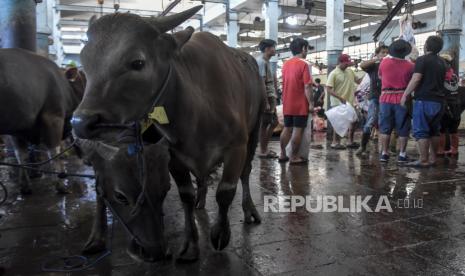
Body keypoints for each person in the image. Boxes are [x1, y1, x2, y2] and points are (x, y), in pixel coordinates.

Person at [401, 35, 446, 167]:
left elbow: (416, 79)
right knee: (434, 131)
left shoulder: (422, 60)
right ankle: (432, 159)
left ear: (426, 46)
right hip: (439, 101)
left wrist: (405, 95)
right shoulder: (443, 62)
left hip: (424, 101)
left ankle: (423, 160)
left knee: (421, 131)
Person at [377, 39, 414, 163]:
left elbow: (380, 76)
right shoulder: (411, 66)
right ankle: (402, 154)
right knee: (403, 127)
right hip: (402, 98)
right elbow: (411, 82)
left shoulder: (384, 62)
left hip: (385, 98)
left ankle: (384, 153)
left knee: (385, 127)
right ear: (405, 52)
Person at [279, 38, 313, 165]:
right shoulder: (304, 64)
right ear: (303, 48)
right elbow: (307, 86)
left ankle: (282, 154)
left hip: (287, 102)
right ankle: (294, 157)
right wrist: (311, 103)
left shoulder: (286, 64)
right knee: (298, 129)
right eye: (307, 48)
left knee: (287, 128)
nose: (307, 51)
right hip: (300, 104)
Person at [356, 45, 389, 156]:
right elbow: (362, 65)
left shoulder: (390, 65)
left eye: (386, 53)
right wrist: (376, 59)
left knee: (385, 124)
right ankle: (363, 147)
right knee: (370, 122)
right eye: (382, 52)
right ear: (377, 53)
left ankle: (384, 150)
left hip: (387, 98)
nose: (385, 54)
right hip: (375, 97)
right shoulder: (374, 66)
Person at [326, 54, 360, 149]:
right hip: (338, 102)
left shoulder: (350, 71)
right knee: (338, 123)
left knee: (355, 121)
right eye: (346, 63)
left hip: (349, 101)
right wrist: (340, 97)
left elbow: (358, 81)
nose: (347, 65)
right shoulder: (334, 73)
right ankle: (335, 142)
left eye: (349, 63)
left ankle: (350, 141)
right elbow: (328, 89)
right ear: (340, 62)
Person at [256, 39, 279, 159]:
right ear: (266, 49)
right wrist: (266, 101)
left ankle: (264, 148)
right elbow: (261, 83)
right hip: (267, 97)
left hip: (271, 96)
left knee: (274, 122)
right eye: (273, 47)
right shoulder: (261, 62)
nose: (275, 49)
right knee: (264, 125)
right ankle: (263, 150)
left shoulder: (266, 61)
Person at [437, 53, 460, 156]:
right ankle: (454, 150)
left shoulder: (441, 75)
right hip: (456, 105)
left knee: (441, 130)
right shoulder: (455, 75)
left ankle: (440, 150)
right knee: (454, 130)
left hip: (445, 105)